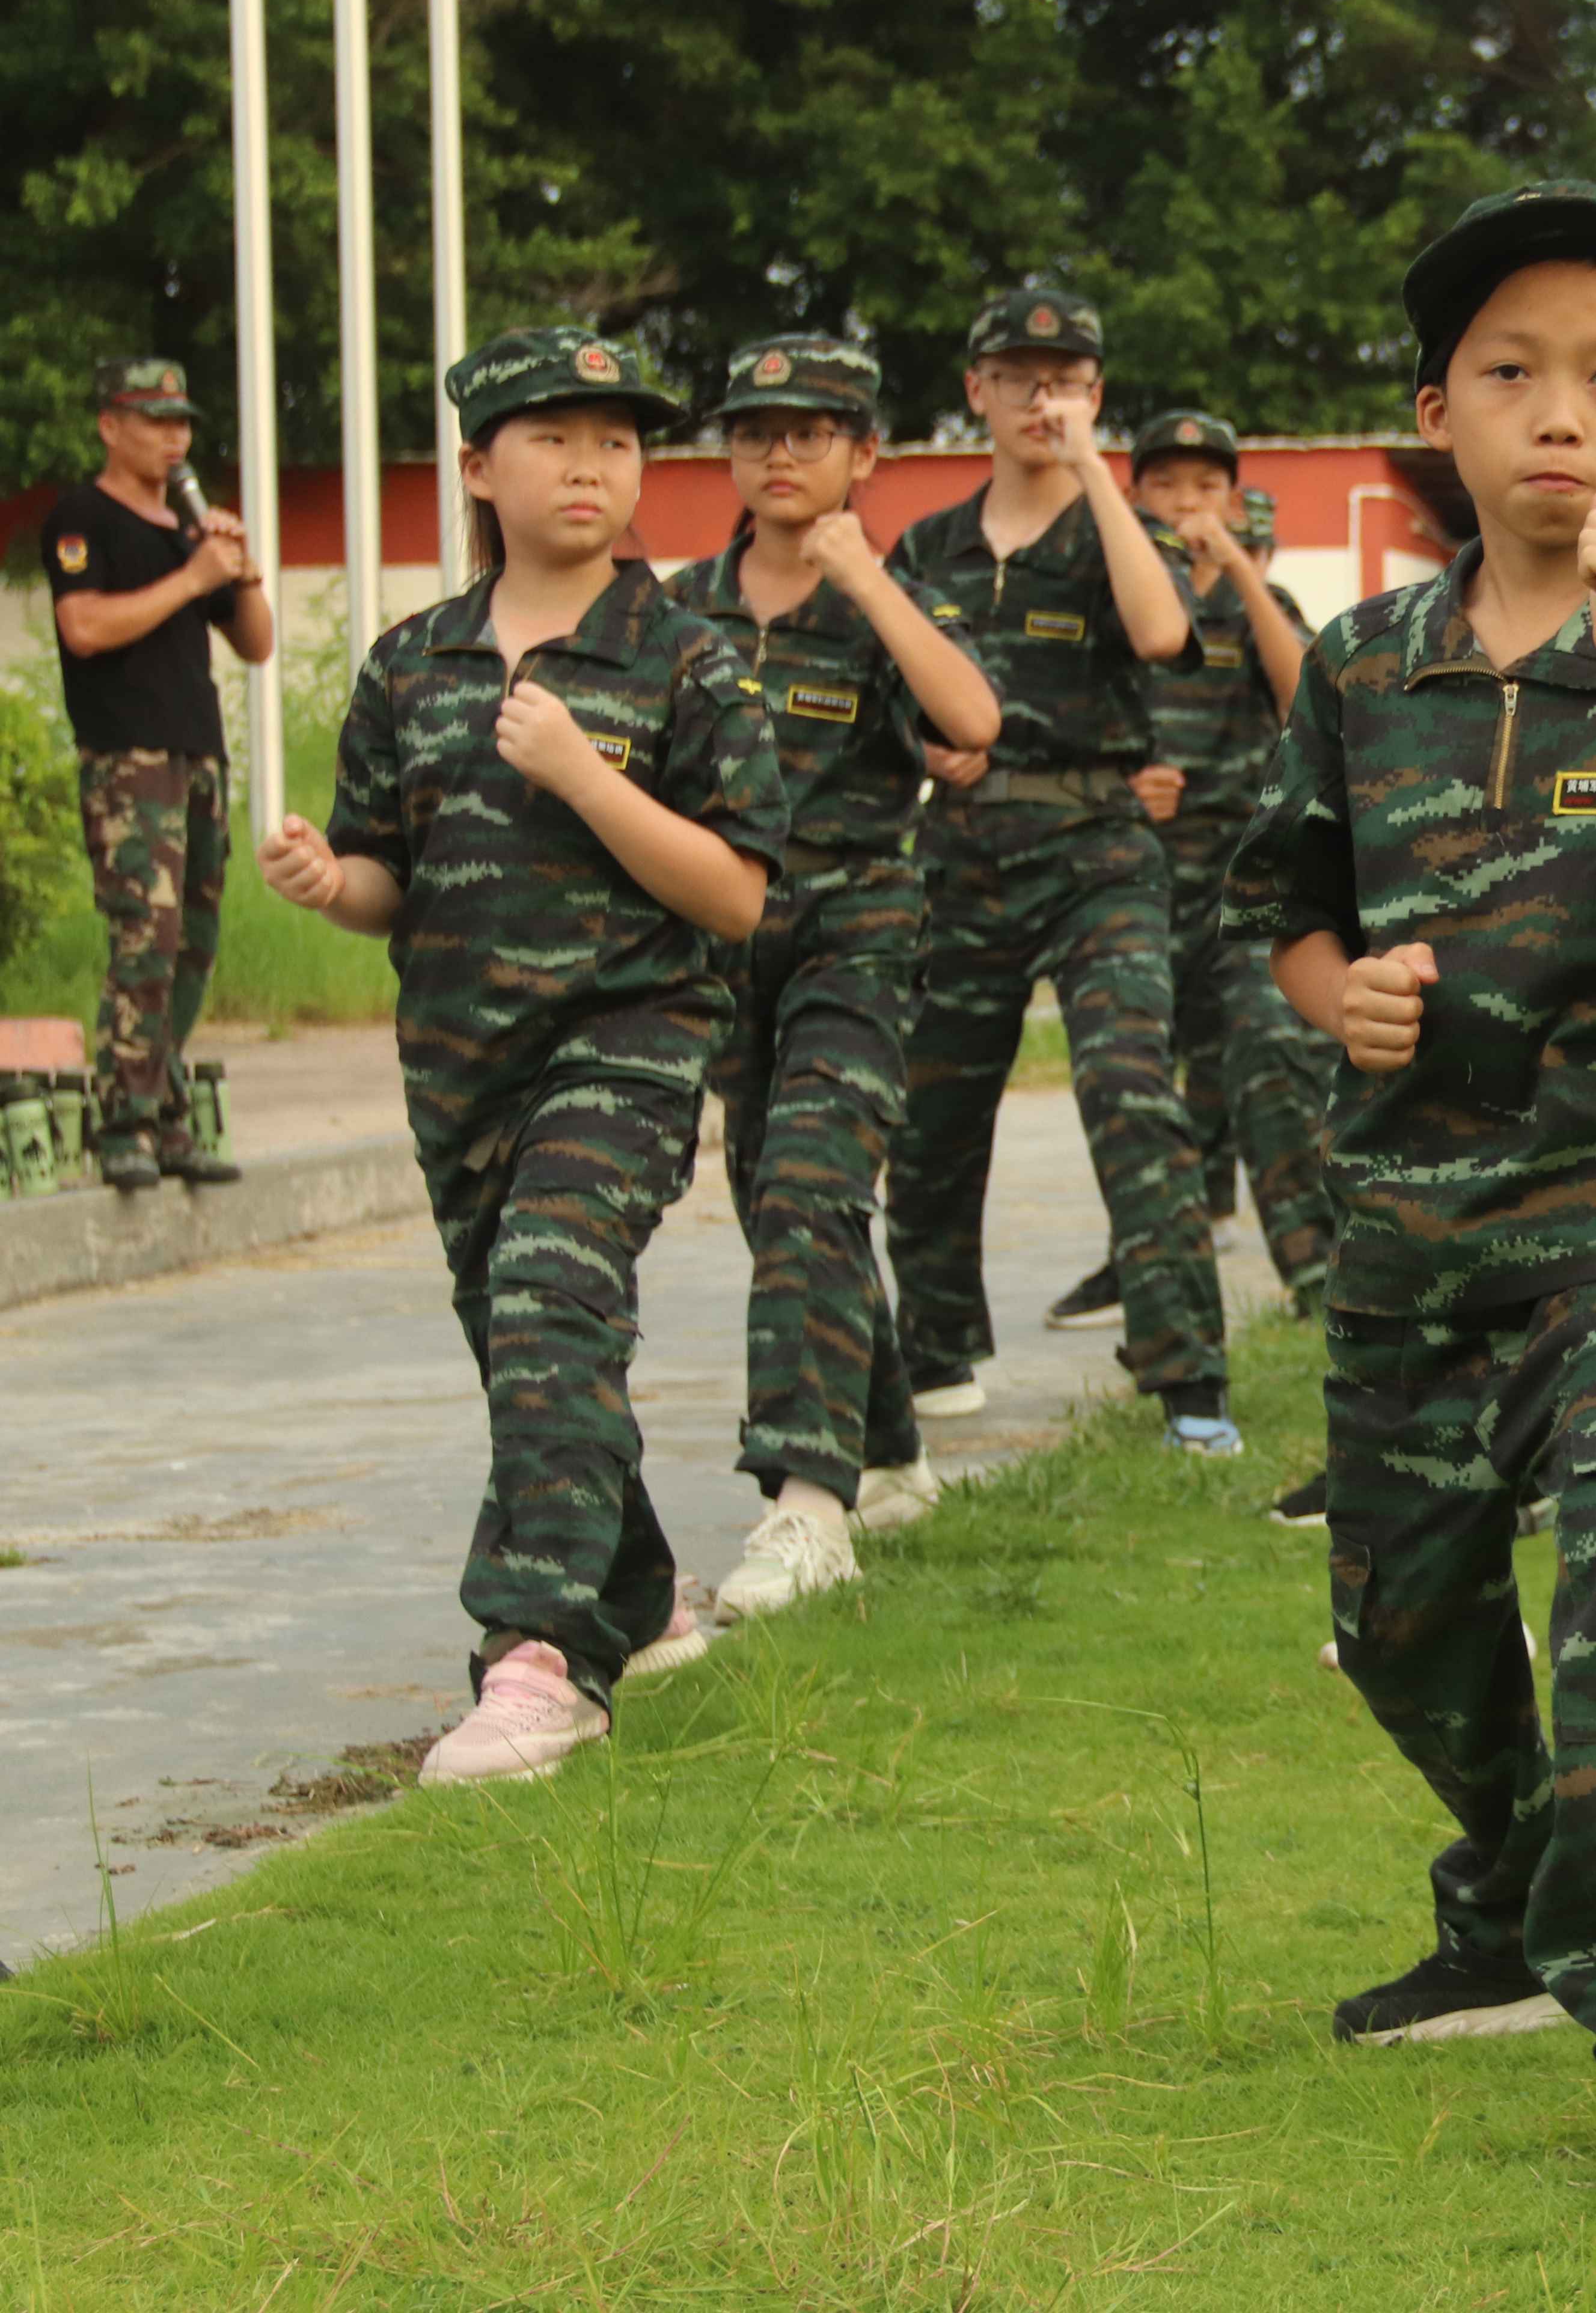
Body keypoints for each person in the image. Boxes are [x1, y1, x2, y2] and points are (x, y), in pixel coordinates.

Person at [1223, 181, 1596, 2223]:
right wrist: (1347, 997)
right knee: (1399, 1624)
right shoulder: (1361, 663)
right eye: (1509, 375)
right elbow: (1287, 914)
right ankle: (1514, 1906)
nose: (1554, 414)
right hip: (1411, 1224)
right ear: (1435, 413)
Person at [255, 328, 786, 1782]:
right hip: (460, 1067)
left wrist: (581, 773)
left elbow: (738, 892)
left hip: (625, 1045)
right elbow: (387, 881)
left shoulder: (684, 655)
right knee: (524, 1350)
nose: (593, 465)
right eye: (555, 438)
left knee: (555, 1293)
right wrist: (326, 879)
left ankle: (540, 1657)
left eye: (617, 441)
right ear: (480, 468)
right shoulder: (409, 664)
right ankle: (637, 1585)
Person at [662, 335, 1002, 1620]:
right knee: (776, 1198)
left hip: (857, 928)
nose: (780, 454)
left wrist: (868, 580)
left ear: (865, 454)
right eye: (756, 432)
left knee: (811, 1178)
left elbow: (973, 720)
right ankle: (895, 1449)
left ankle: (808, 1504)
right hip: (726, 945)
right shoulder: (680, 606)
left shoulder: (890, 593)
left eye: (812, 432)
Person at [882, 289, 1238, 1452]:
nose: (1044, 399)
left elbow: (1156, 632)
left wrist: (1096, 472)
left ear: (1096, 395)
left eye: (1069, 380)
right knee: (932, 1114)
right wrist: (924, 743)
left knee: (1132, 1091)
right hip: (965, 846)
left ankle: (1188, 1375)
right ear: (975, 389)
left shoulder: (1110, 527)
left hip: (1098, 849)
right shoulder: (928, 546)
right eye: (1021, 377)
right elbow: (884, 690)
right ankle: (935, 1349)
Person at [1045, 411, 1331, 1328]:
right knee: (1142, 1069)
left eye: (1206, 487)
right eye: (1166, 486)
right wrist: (1127, 781)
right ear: (1136, 496)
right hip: (1137, 867)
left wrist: (1243, 571)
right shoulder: (1118, 595)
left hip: (1246, 874)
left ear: (1233, 500)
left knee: (1260, 1044)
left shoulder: (1262, 607)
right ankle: (1151, 1258)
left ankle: (1317, 1270)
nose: (1187, 504)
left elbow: (1307, 708)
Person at [43, 356, 274, 1191]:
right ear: (111, 425)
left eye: (184, 421)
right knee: (147, 935)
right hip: (127, 756)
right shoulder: (82, 517)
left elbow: (256, 642)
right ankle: (124, 1122)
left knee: (194, 947)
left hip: (196, 752)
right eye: (156, 419)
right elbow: (86, 628)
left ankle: (167, 1108)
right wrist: (190, 578)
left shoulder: (188, 527)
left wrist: (236, 565)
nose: (175, 435)